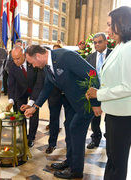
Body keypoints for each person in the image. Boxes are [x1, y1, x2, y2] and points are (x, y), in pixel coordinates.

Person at [86, 6, 131, 180]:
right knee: (112, 158)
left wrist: (99, 94)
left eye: (110, 25)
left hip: (127, 113)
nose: (107, 29)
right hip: (117, 110)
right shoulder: (122, 45)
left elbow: (129, 86)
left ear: (122, 24)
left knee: (117, 161)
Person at [24, 45, 101, 179]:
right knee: (69, 129)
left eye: (32, 63)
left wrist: (95, 103)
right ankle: (70, 161)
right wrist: (35, 107)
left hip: (85, 103)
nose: (34, 66)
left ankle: (76, 171)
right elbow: (47, 87)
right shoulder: (48, 65)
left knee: (75, 129)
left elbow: (92, 73)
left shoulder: (65, 56)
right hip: (71, 103)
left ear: (38, 56)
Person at [6, 46, 44, 147]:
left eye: (18, 58)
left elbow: (39, 83)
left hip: (34, 90)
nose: (15, 61)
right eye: (13, 58)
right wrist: (11, 101)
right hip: (20, 92)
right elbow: (11, 84)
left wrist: (31, 103)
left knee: (33, 113)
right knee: (20, 113)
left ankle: (31, 137)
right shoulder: (12, 65)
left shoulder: (32, 61)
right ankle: (22, 135)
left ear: (24, 55)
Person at [85, 32, 112, 149]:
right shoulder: (90, 57)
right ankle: (96, 138)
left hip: (110, 91)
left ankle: (110, 138)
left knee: (110, 118)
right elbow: (87, 76)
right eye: (95, 43)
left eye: (100, 42)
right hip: (95, 92)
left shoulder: (114, 55)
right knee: (95, 117)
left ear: (106, 42)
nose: (97, 45)